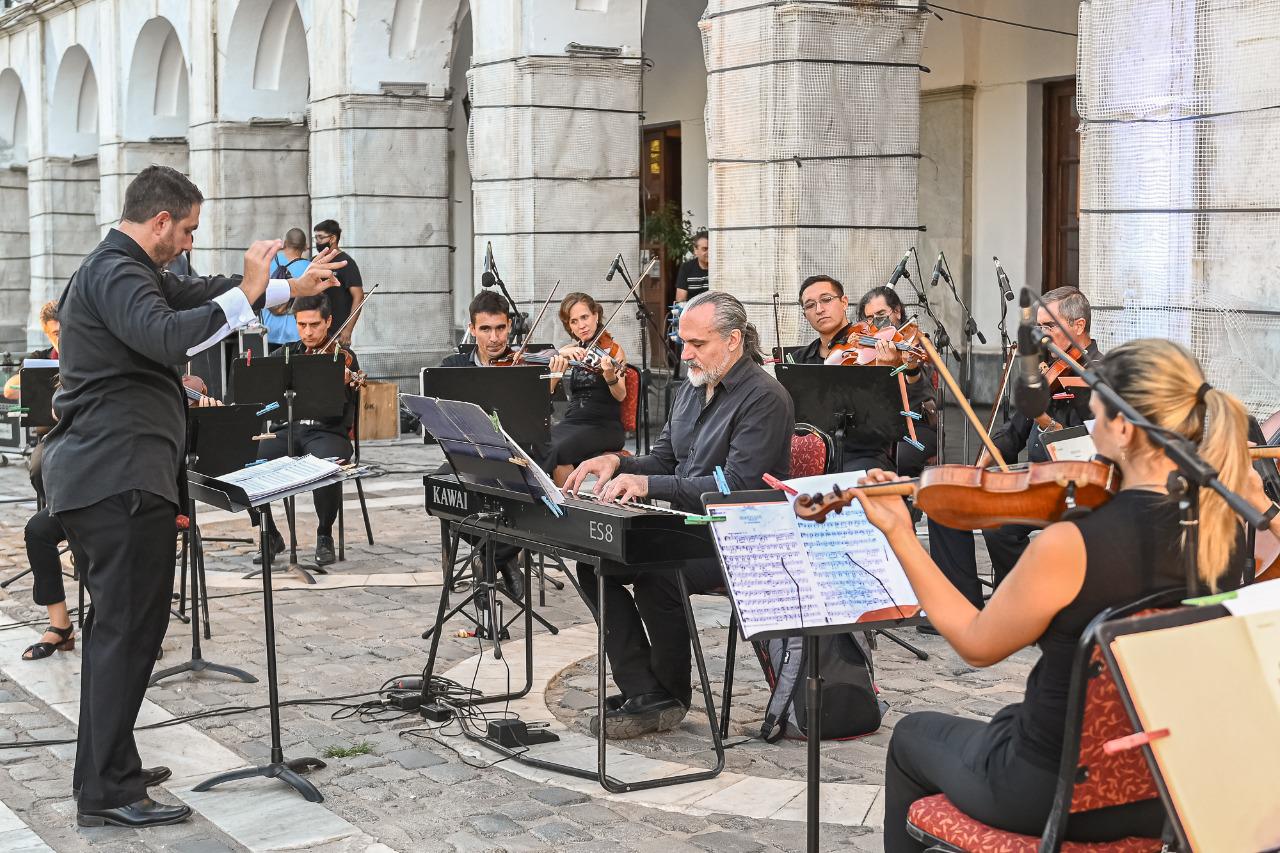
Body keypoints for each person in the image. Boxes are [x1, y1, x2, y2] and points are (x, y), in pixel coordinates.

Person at [849, 339, 1259, 851]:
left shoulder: (1072, 543)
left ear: (1125, 429)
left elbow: (977, 645)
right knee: (1000, 727)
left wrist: (901, 537)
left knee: (912, 737)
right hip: (1167, 788)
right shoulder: (1222, 529)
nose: (1090, 426)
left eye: (1097, 414)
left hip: (1051, 792)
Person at [41, 165, 342, 828]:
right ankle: (106, 790)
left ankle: (108, 763)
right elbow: (173, 334)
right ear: (159, 222)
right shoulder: (115, 273)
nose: (188, 243)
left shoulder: (132, 270)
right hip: (115, 478)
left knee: (119, 634)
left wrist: (286, 287)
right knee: (126, 634)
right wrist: (256, 290)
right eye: (186, 230)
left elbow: (200, 291)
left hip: (116, 478)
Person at [564, 291, 794, 737]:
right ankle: (646, 690)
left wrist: (650, 485)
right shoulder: (692, 386)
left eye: (697, 343)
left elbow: (737, 488)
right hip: (691, 525)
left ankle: (667, 694)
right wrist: (618, 462)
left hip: (743, 537)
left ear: (732, 341)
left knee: (656, 572)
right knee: (596, 562)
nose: (685, 353)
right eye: (682, 342)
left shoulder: (765, 397)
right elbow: (666, 457)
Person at [928, 287, 1099, 611]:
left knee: (1000, 529)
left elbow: (1090, 447)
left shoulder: (1100, 375)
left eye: (1049, 326)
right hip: (1034, 479)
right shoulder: (1046, 372)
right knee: (946, 502)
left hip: (1074, 485)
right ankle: (962, 603)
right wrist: (979, 467)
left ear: (1078, 326)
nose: (1040, 334)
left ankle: (1028, 606)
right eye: (1039, 326)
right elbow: (1012, 435)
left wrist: (1044, 420)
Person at [253, 296, 362, 567]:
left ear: (328, 322)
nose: (308, 332)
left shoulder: (343, 357)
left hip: (327, 432)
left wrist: (348, 382)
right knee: (247, 463)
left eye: (315, 324)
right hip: (287, 429)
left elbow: (350, 409)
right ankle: (269, 533)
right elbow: (265, 400)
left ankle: (324, 533)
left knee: (327, 465)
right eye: (302, 325)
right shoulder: (285, 355)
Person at [795, 278, 937, 475]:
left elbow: (907, 409)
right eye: (810, 305)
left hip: (862, 455)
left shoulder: (877, 346)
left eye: (826, 299)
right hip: (812, 453)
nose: (819, 309)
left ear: (844, 302)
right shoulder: (800, 359)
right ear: (805, 314)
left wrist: (884, 371)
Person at [437, 290, 524, 601]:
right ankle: (505, 557)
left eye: (500, 328)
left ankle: (488, 561)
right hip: (468, 454)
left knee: (536, 497)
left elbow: (536, 424)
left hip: (513, 456)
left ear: (510, 326)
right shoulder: (453, 367)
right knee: (443, 488)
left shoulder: (523, 364)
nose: (494, 338)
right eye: (485, 329)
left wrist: (549, 382)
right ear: (472, 329)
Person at [543, 292, 628, 484]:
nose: (581, 325)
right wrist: (559, 358)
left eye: (585, 317)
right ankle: (562, 504)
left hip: (604, 426)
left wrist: (609, 376)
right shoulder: (571, 352)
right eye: (574, 321)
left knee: (556, 449)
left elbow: (621, 395)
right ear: (569, 327)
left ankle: (557, 505)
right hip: (572, 423)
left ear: (596, 315)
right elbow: (546, 393)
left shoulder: (613, 350)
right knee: (538, 445)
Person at [313, 219, 364, 345]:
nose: (317, 242)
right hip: (316, 329)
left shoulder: (347, 263)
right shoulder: (314, 261)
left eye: (320, 237)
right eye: (315, 238)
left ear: (332, 238)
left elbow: (358, 296)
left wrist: (348, 330)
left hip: (337, 332)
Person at [259, 227, 311, 346]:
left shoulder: (267, 262)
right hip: (296, 335)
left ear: (284, 244)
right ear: (305, 247)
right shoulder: (310, 268)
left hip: (267, 331)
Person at [3, 300, 59, 402]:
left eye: (67, 331)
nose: (63, 338)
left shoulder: (86, 356)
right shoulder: (39, 358)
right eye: (56, 334)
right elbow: (9, 391)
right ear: (47, 334)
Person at [674, 231, 709, 303]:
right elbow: (680, 299)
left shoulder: (720, 268)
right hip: (693, 311)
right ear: (695, 250)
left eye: (711, 248)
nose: (709, 252)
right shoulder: (686, 268)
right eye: (705, 249)